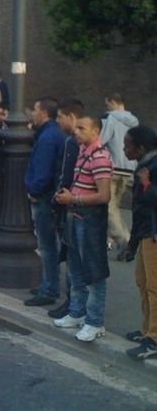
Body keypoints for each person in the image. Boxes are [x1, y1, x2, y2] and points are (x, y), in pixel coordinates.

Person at [54, 115, 112, 342]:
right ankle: (77, 312)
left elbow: (104, 195)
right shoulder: (82, 152)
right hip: (75, 217)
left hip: (89, 221)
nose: (76, 131)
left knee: (93, 272)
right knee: (75, 269)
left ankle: (95, 321)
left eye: (82, 128)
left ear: (95, 131)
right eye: (76, 127)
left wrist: (73, 199)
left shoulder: (99, 157)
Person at [24, 98, 66, 307]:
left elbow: (43, 170)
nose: (32, 113)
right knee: (49, 244)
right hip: (48, 195)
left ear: (43, 113)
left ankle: (50, 288)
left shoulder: (48, 137)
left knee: (48, 245)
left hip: (44, 197)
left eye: (35, 109)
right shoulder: (52, 134)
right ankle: (48, 284)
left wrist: (33, 189)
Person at [47, 98, 84, 320]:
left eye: (60, 116)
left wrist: (60, 194)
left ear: (71, 116)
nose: (58, 120)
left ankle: (73, 302)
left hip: (71, 203)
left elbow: (67, 173)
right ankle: (72, 301)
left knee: (73, 256)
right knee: (70, 254)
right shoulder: (70, 140)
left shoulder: (73, 142)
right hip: (68, 202)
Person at [122, 126, 157, 360]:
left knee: (154, 286)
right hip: (145, 231)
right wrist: (132, 242)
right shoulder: (145, 166)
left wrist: (145, 184)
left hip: (154, 233)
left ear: (141, 147)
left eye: (128, 144)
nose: (124, 149)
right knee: (143, 283)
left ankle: (154, 338)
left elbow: (151, 200)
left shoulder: (151, 168)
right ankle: (147, 330)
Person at [101, 93, 139, 259]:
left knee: (109, 207)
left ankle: (125, 240)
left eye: (107, 103)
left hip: (112, 167)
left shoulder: (111, 119)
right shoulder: (134, 121)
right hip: (129, 168)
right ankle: (125, 239)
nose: (106, 107)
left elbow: (102, 140)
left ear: (112, 102)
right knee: (115, 206)